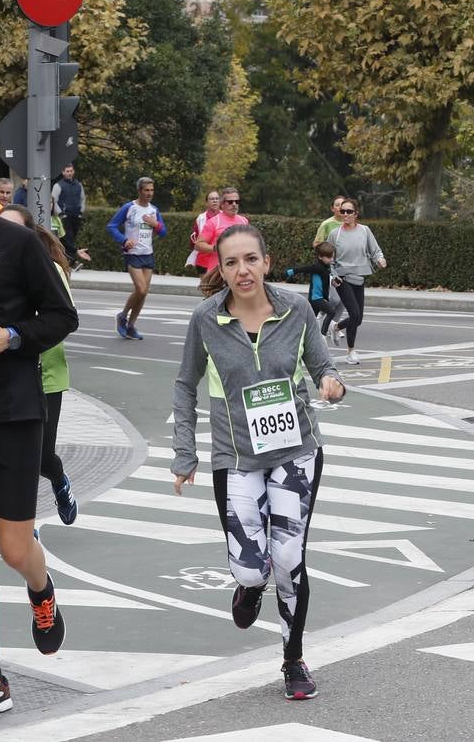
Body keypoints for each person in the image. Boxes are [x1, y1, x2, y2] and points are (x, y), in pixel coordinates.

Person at [171, 224, 344, 701]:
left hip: (297, 451)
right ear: (220, 270)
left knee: (290, 558)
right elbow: (185, 385)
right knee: (251, 568)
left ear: (266, 262)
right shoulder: (206, 319)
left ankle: (293, 659)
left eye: (250, 259)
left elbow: (321, 364)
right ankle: (249, 586)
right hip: (237, 456)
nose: (242, 270)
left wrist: (332, 383)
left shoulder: (296, 309)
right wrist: (184, 452)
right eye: (231, 263)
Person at [0, 137, 78, 722]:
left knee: (12, 547)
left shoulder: (15, 243)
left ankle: (41, 586)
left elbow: (63, 316)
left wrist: (10, 338)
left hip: (11, 413)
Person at [0, 206, 79, 529]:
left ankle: (59, 479)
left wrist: (23, 335)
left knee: (41, 456)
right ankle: (24, 526)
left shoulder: (49, 270)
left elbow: (63, 319)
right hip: (5, 376)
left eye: (15, 232)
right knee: (14, 456)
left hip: (47, 375)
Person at [106, 176, 166, 341]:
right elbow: (111, 226)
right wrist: (124, 240)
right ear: (139, 191)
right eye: (146, 190)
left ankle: (131, 325)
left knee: (144, 293)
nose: (149, 193)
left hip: (148, 254)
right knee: (140, 289)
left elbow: (163, 232)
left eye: (152, 190)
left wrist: (156, 225)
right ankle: (122, 316)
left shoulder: (154, 210)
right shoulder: (129, 207)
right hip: (132, 254)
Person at [326, 198, 385, 365]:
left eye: (349, 211)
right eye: (342, 211)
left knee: (358, 319)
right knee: (355, 314)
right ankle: (351, 351)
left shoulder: (365, 231)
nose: (345, 214)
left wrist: (381, 259)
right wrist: (332, 276)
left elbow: (375, 251)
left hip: (360, 277)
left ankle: (335, 327)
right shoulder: (334, 234)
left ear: (356, 214)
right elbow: (328, 258)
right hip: (342, 279)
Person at [284, 242, 340, 340]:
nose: (331, 259)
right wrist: (292, 272)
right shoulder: (317, 267)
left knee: (310, 321)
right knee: (331, 312)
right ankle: (323, 335)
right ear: (320, 257)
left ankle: (297, 335)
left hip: (319, 298)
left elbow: (325, 280)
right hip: (316, 298)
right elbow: (305, 269)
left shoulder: (327, 267)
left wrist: (333, 282)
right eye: (329, 257)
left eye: (332, 257)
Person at [312, 197, 348, 342]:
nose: (340, 208)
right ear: (332, 208)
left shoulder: (350, 225)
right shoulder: (327, 224)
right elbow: (316, 243)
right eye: (337, 205)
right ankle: (323, 319)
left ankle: (331, 324)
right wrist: (328, 250)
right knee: (334, 298)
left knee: (343, 299)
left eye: (343, 206)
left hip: (345, 267)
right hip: (331, 266)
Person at [194, 187, 248, 275]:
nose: (234, 204)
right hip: (217, 272)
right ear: (222, 204)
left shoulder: (244, 221)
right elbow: (198, 245)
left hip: (238, 271)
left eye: (237, 201)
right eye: (230, 202)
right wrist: (217, 248)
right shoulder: (214, 222)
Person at [52, 164, 85, 264]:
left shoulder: (78, 184)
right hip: (64, 216)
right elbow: (54, 201)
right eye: (67, 171)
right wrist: (60, 213)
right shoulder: (58, 185)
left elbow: (82, 198)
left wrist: (81, 211)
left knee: (72, 238)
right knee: (67, 238)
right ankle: (72, 261)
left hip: (76, 215)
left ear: (73, 171)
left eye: (71, 171)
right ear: (63, 172)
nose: (69, 173)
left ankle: (67, 260)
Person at [185, 190, 220, 274]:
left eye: (217, 198)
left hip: (220, 259)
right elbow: (194, 239)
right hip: (203, 259)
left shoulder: (224, 216)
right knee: (206, 286)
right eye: (212, 199)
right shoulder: (201, 218)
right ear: (207, 202)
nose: (215, 201)